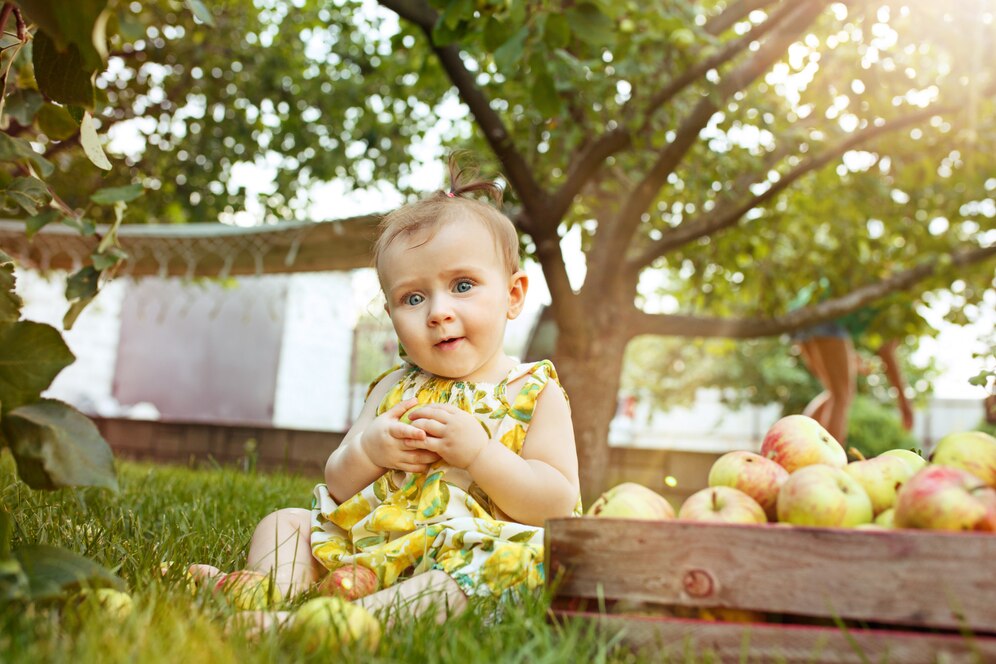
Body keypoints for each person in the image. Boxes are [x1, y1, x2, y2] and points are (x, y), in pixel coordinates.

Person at [190, 155, 581, 630]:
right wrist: (371, 448)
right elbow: (337, 483)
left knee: (521, 562)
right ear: (392, 314)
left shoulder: (533, 391)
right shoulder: (394, 387)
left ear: (513, 294)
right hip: (367, 550)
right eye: (413, 298)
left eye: (462, 285)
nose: (437, 312)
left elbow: (556, 506)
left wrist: (480, 453)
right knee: (286, 522)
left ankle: (333, 623)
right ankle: (272, 594)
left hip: (460, 557)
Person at [791, 284, 914, 445]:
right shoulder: (899, 306)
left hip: (804, 309)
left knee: (835, 392)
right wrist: (904, 403)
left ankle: (798, 447)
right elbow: (887, 352)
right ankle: (828, 465)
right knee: (841, 395)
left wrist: (853, 361)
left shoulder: (889, 281)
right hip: (826, 313)